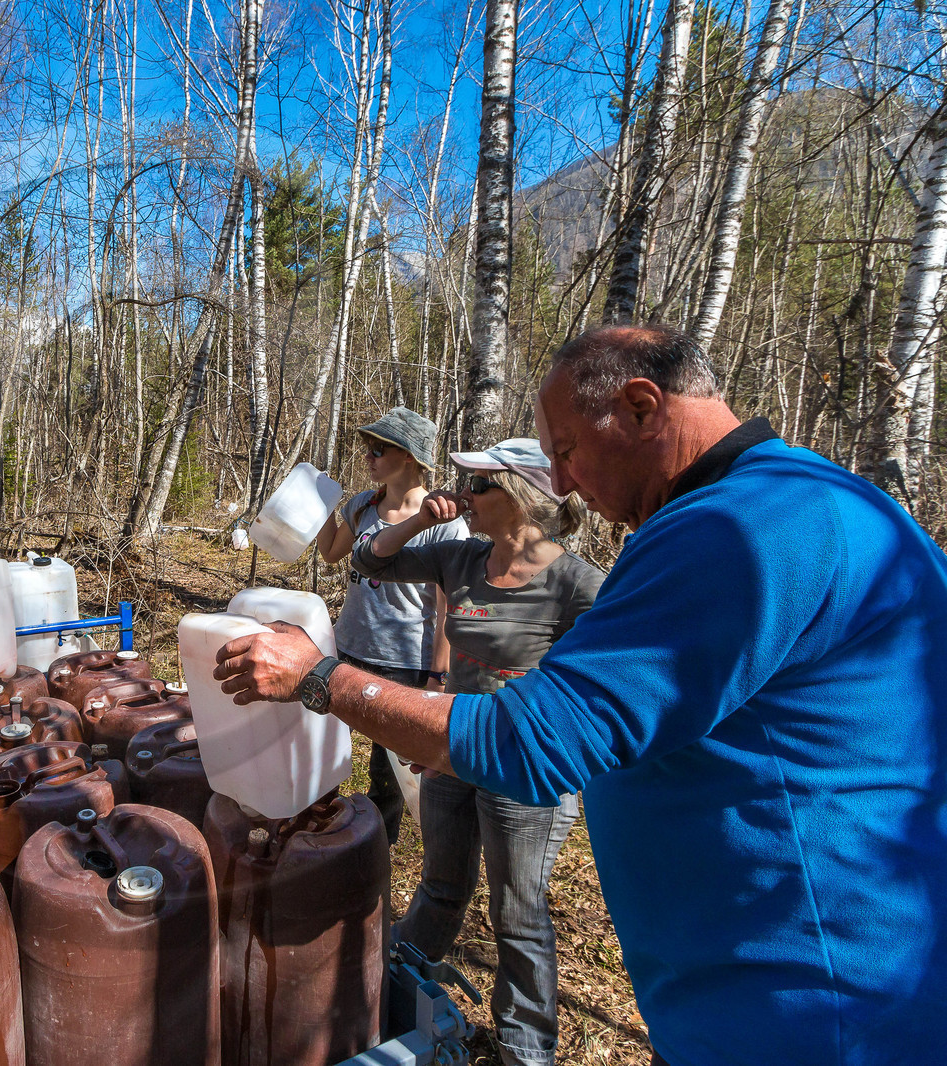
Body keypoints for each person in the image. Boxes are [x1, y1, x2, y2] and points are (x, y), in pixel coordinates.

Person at [211, 324, 947, 1065]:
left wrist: (319, 678)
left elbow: (534, 742)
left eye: (565, 451)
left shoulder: (741, 529)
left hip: (804, 1006)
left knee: (515, 906)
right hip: (767, 986)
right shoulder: (816, 502)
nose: (561, 483)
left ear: (640, 407)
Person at [358, 436, 601, 1066]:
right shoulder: (461, 557)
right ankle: (401, 985)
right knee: (442, 881)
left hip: (524, 764)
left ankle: (524, 1047)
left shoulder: (576, 582)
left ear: (521, 497)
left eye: (479, 486)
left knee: (517, 911)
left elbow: (608, 679)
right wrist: (417, 520)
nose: (464, 494)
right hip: (457, 749)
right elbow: (369, 563)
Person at [316, 406, 466, 844]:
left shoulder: (443, 522)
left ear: (409, 458)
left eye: (379, 449)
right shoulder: (363, 504)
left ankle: (376, 848)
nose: (369, 456)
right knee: (323, 747)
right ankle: (321, 830)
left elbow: (446, 607)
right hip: (348, 647)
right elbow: (330, 554)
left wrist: (437, 678)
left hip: (405, 661)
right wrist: (323, 507)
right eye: (367, 447)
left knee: (391, 770)